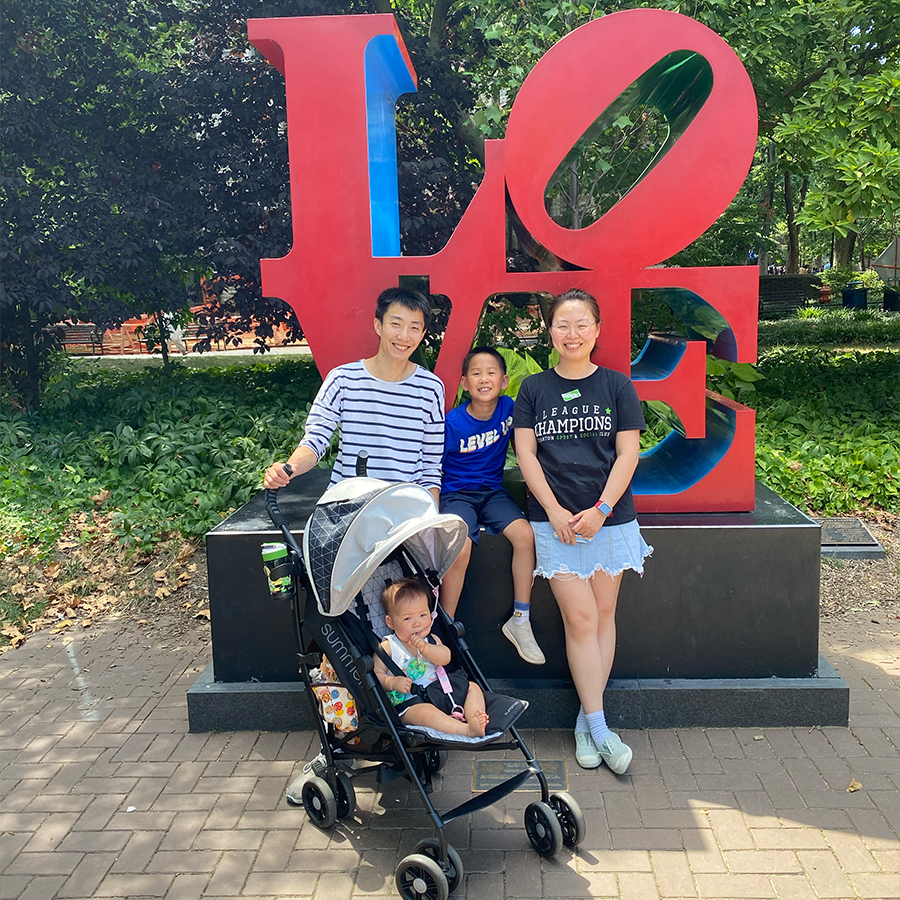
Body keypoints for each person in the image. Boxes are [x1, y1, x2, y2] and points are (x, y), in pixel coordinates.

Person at [513, 288, 652, 774]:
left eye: (581, 324)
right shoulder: (533, 389)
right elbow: (527, 455)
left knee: (605, 614)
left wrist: (601, 507)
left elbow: (628, 454)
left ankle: (586, 720)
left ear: (597, 329)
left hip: (609, 519)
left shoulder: (617, 386)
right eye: (562, 325)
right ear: (550, 331)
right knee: (581, 620)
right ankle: (601, 728)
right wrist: (552, 510)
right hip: (556, 523)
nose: (572, 334)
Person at [263, 287, 444, 502]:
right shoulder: (342, 379)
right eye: (396, 324)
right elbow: (315, 440)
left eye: (414, 328)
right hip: (349, 506)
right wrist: (289, 468)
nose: (404, 336)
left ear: (422, 334)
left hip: (405, 507)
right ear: (379, 325)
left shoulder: (431, 387)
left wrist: (430, 517)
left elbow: (431, 465)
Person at [439, 347, 545, 665]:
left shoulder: (510, 410)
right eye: (476, 373)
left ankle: (520, 619)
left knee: (525, 536)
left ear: (504, 380)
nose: (484, 379)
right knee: (460, 548)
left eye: (491, 372)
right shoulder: (452, 423)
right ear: (464, 383)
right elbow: (432, 466)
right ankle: (444, 626)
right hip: (456, 494)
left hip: (492, 493)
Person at [375, 578, 489, 737]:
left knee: (472, 687)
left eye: (423, 615)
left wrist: (427, 648)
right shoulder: (388, 647)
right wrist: (391, 682)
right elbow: (376, 675)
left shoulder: (432, 639)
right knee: (424, 713)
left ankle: (475, 718)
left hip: (442, 692)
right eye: (407, 618)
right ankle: (466, 730)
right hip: (412, 702)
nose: (417, 624)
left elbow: (446, 658)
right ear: (391, 622)